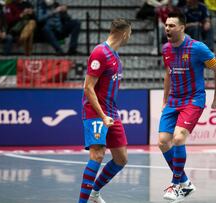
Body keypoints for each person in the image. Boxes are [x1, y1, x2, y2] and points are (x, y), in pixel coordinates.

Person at [158, 11, 216, 202]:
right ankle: (186, 183)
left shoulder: (197, 48)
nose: (167, 28)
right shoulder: (166, 49)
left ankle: (176, 185)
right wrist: (164, 100)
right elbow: (169, 74)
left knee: (178, 138)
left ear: (181, 27)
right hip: (173, 101)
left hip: (193, 100)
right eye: (166, 25)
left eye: (171, 25)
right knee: (163, 142)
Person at [78, 18, 132, 203]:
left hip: (111, 113)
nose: (130, 37)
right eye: (130, 33)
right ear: (124, 33)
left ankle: (94, 193)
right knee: (98, 154)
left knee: (121, 159)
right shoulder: (100, 53)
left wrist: (109, 115)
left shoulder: (115, 56)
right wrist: (102, 116)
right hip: (96, 112)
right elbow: (88, 87)